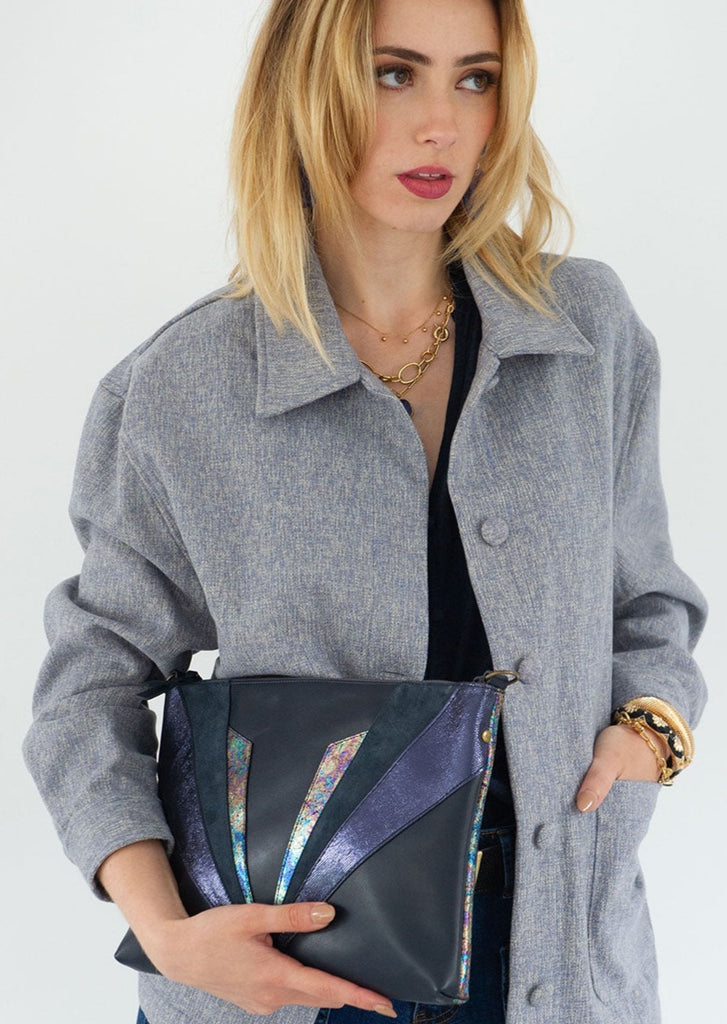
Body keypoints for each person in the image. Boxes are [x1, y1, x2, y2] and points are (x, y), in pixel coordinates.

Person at [23, 1, 707, 1023]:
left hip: (559, 959)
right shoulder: (182, 385)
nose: (441, 123)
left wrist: (651, 729)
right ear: (304, 89)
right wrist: (166, 932)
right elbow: (88, 690)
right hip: (283, 976)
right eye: (394, 73)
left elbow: (647, 605)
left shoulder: (584, 333)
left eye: (474, 79)